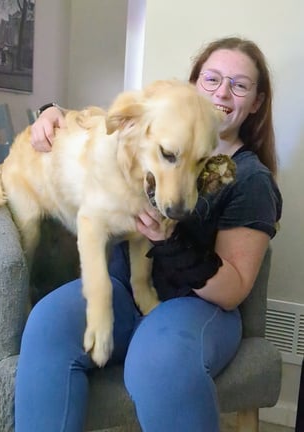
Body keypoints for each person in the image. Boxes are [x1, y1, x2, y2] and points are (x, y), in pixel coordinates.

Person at [15, 36, 282, 432]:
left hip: (198, 306)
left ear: (256, 102)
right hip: (126, 289)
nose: (221, 92)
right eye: (211, 79)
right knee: (47, 325)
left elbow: (234, 289)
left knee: (159, 363)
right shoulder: (153, 132)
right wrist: (51, 112)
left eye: (239, 85)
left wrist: (168, 239)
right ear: (193, 85)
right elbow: (113, 124)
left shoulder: (250, 178)